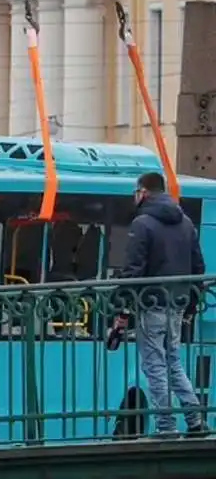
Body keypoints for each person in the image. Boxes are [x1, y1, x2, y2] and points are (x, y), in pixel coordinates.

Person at [121, 172, 208, 437]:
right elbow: (198, 268)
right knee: (173, 362)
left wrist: (123, 309)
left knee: (154, 365)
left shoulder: (142, 223)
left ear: (144, 192)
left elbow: (133, 271)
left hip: (152, 303)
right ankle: (196, 421)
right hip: (178, 304)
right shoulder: (186, 223)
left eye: (136, 192)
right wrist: (190, 307)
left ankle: (166, 425)